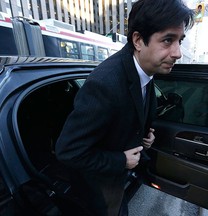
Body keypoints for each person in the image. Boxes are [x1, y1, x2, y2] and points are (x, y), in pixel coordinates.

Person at [55, 0, 194, 215]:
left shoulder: (144, 70)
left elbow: (128, 114)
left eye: (179, 41)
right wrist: (121, 160)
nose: (178, 53)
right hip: (100, 188)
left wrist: (144, 138)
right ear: (138, 40)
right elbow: (68, 151)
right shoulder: (105, 84)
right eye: (168, 40)